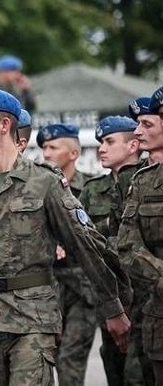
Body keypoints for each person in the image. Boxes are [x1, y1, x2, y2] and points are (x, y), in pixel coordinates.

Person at [0, 88, 130, 386]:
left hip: (33, 319)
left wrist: (113, 307)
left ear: (4, 126)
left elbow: (84, 245)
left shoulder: (45, 182)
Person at [79, 116, 145, 386]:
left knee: (139, 374)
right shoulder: (93, 190)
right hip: (110, 296)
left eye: (109, 141)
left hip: (144, 296)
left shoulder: (148, 183)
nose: (101, 149)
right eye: (100, 143)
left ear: (133, 146)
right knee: (116, 371)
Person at [36, 123, 97, 386]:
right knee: (44, 361)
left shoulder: (92, 189)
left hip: (82, 289)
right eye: (44, 148)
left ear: (73, 153)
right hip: (47, 288)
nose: (46, 154)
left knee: (70, 361)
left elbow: (99, 238)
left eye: (53, 147)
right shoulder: (36, 189)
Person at [119, 89, 163, 385]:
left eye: (148, 124)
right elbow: (127, 244)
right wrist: (161, 275)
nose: (137, 131)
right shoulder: (144, 181)